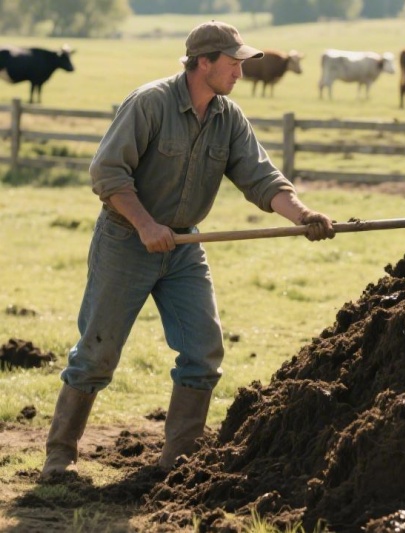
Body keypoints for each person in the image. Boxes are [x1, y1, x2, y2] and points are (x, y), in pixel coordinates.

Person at [40, 21, 335, 480]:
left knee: (203, 351)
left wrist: (302, 214)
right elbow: (107, 174)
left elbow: (261, 177)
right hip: (126, 239)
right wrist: (145, 224)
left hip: (184, 245)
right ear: (203, 62)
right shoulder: (150, 103)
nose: (239, 72)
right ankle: (60, 455)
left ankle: (178, 461)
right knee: (98, 351)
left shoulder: (228, 117)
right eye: (233, 63)